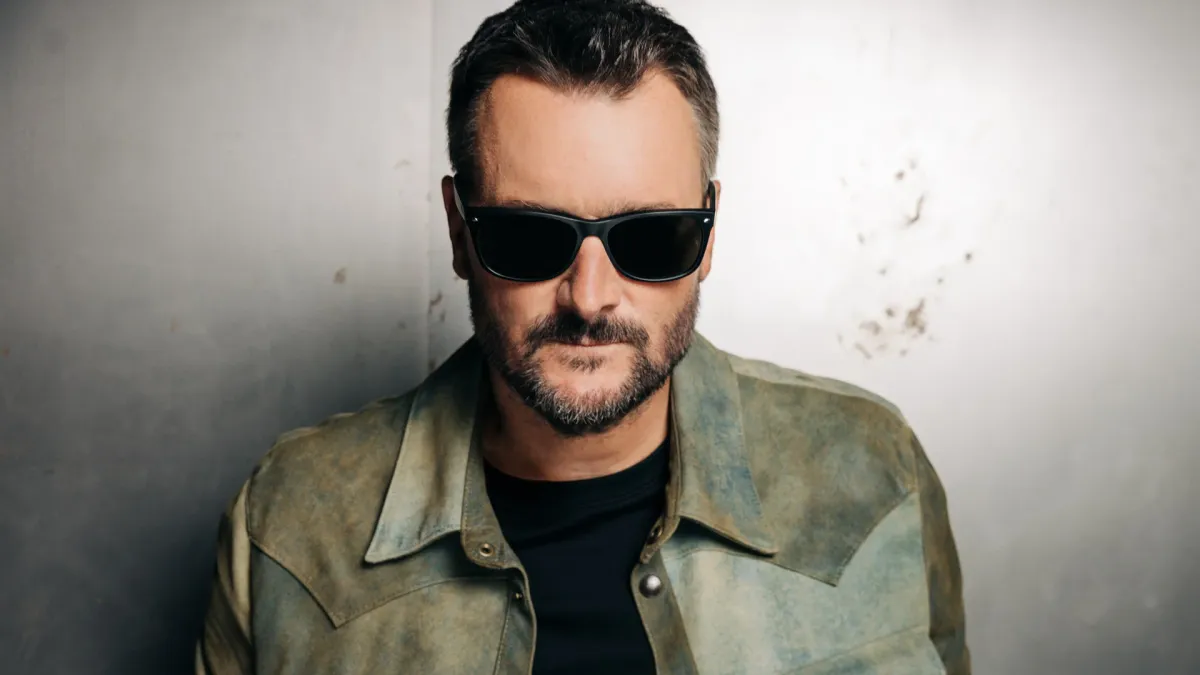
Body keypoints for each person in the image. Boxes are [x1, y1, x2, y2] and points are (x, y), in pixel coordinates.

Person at [195, 1, 970, 673]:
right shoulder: (288, 527)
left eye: (651, 237)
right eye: (531, 237)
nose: (590, 297)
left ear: (708, 235)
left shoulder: (876, 474)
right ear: (460, 233)